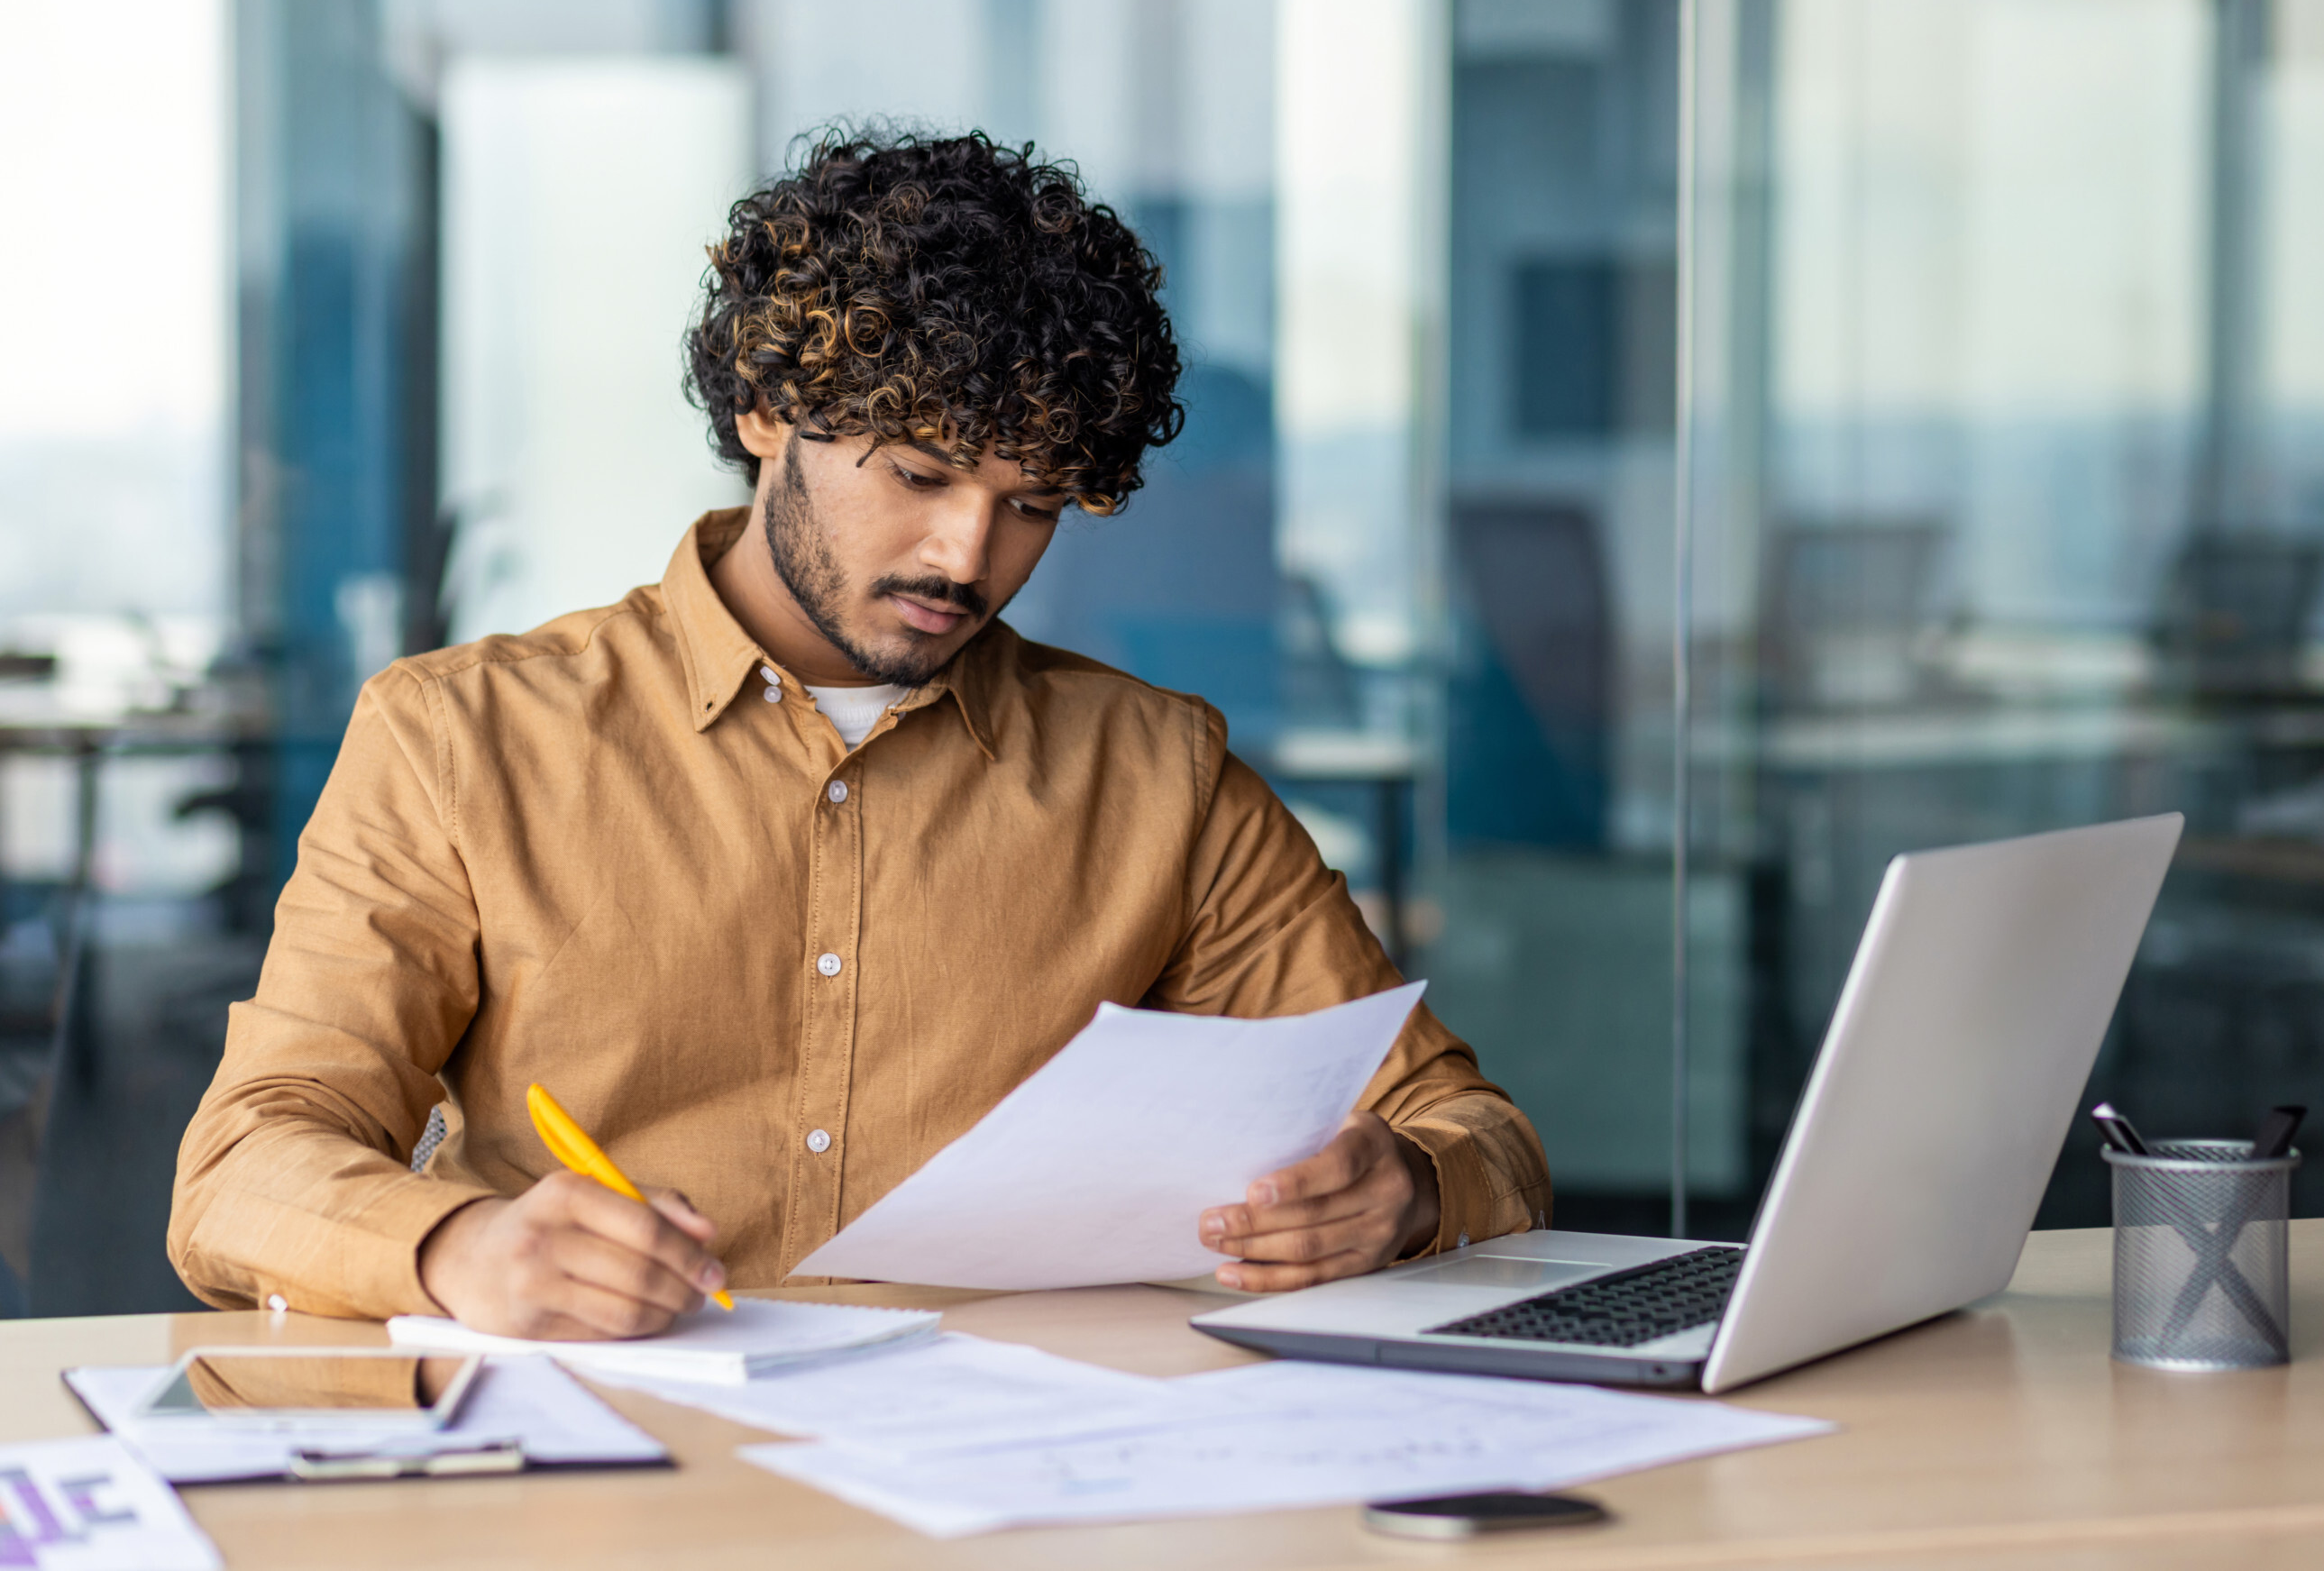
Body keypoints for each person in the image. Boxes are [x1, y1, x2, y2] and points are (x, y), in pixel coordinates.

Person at [169, 132, 1550, 1339]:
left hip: (1026, 1479)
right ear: (767, 411)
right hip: (616, 1459)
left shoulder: (1158, 775)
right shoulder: (461, 740)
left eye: (1033, 503)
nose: (969, 552)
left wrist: (1405, 1189)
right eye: (924, 474)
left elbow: (1472, 1132)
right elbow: (243, 1166)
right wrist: (460, 1250)